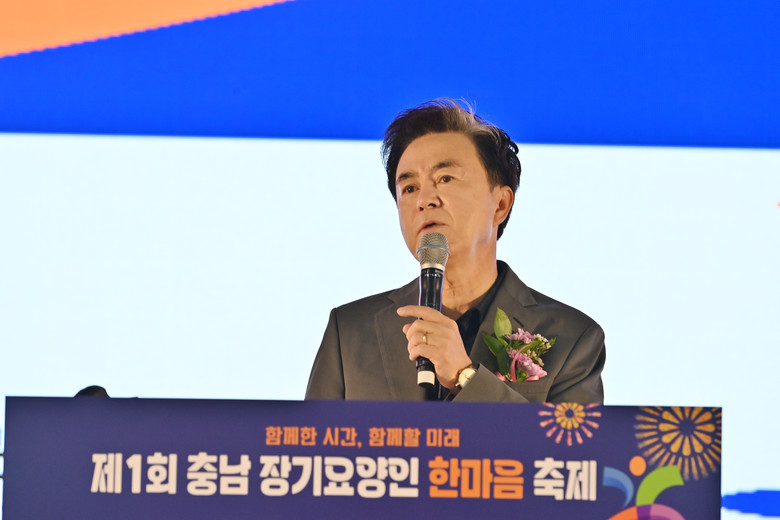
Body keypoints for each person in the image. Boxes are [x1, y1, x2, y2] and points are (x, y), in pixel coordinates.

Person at [305, 99, 605, 403]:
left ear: (501, 204)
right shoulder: (350, 332)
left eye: (445, 179)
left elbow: (565, 435)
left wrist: (465, 376)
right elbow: (310, 435)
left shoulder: (573, 339)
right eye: (409, 188)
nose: (424, 200)